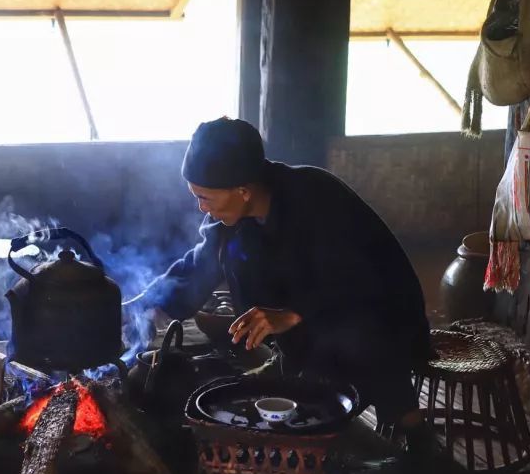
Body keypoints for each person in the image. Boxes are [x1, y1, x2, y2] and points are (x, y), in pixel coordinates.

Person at [129, 117, 435, 455]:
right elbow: (197, 265)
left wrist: (293, 313)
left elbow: (359, 277)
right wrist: (143, 304)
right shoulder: (231, 219)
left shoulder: (315, 196)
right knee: (233, 253)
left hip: (380, 314)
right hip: (315, 325)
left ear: (243, 190)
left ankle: (412, 427)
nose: (201, 208)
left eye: (205, 198)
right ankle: (298, 370)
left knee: (359, 342)